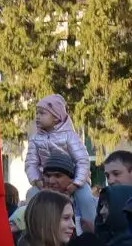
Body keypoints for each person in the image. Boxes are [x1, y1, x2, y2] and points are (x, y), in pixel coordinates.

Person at [24, 97, 93, 228]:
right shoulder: (35, 139)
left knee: (85, 198)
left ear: (56, 117)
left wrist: (76, 183)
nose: (37, 117)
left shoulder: (70, 136)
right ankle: (32, 228)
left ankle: (92, 228)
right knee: (32, 195)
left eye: (42, 113)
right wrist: (37, 181)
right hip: (47, 181)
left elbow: (82, 160)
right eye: (37, 113)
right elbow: (31, 163)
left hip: (72, 181)